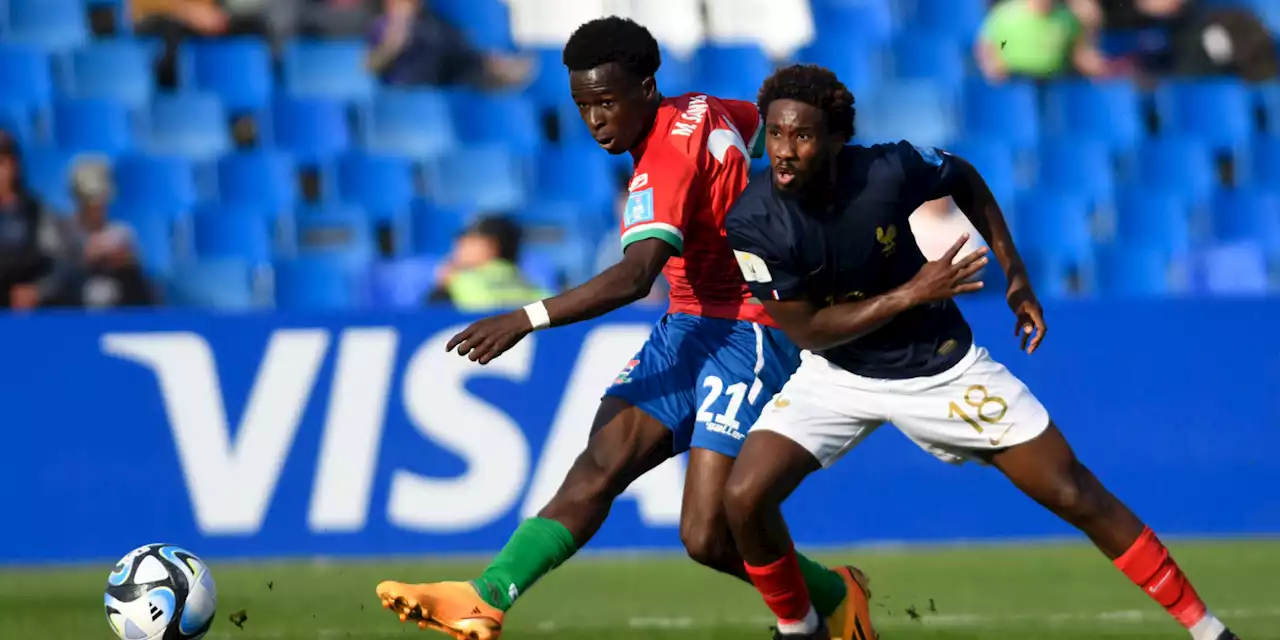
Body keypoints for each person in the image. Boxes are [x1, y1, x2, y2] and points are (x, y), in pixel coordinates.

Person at [375, 17, 873, 640]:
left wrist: (526, 317)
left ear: (646, 86)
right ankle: (487, 595)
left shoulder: (662, 162)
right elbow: (760, 133)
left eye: (607, 102)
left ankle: (829, 600)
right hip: (687, 324)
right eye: (583, 105)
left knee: (707, 533)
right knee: (598, 466)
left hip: (747, 328)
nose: (595, 120)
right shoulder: (705, 108)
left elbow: (635, 277)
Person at [719, 63, 1240, 640]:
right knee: (743, 498)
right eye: (775, 133)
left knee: (1072, 491)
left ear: (838, 140)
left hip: (940, 368)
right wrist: (912, 292)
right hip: (837, 374)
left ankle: (1209, 630)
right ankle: (803, 627)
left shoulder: (889, 169)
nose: (784, 150)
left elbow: (962, 177)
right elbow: (810, 331)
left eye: (803, 135)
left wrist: (1014, 272)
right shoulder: (752, 221)